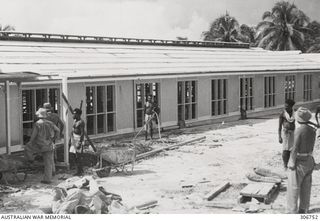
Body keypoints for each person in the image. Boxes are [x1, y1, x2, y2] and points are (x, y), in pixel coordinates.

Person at [287, 107, 317, 214]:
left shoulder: (299, 131)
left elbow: (295, 148)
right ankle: (304, 209)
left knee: (293, 188)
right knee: (306, 187)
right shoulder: (312, 130)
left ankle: (292, 212)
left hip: (299, 161)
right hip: (309, 159)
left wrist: (291, 162)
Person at [24, 108, 60, 184]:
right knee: (48, 162)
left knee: (27, 148)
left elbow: (34, 135)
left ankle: (31, 161)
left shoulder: (37, 124)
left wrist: (30, 142)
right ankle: (48, 178)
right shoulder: (50, 123)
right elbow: (58, 130)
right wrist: (54, 138)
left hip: (39, 145)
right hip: (49, 144)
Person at [43, 102, 65, 175]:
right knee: (53, 150)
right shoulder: (55, 116)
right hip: (54, 135)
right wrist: (60, 132)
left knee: (48, 154)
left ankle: (51, 170)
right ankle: (54, 167)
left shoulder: (45, 117)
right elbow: (62, 124)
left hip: (46, 136)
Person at [278, 99, 295, 169]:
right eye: (285, 106)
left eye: (287, 106)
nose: (285, 107)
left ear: (291, 107)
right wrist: (279, 136)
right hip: (285, 133)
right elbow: (279, 126)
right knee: (285, 150)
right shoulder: (282, 114)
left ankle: (292, 164)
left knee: (293, 149)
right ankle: (285, 165)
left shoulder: (295, 113)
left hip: (293, 133)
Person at [69, 108, 85, 176]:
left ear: (78, 114)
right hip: (74, 139)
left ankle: (79, 171)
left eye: (74, 113)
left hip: (78, 139)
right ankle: (79, 169)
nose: (73, 115)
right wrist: (70, 140)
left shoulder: (81, 122)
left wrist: (80, 142)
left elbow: (82, 133)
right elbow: (72, 131)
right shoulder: (75, 121)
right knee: (72, 154)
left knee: (78, 156)